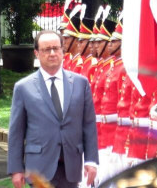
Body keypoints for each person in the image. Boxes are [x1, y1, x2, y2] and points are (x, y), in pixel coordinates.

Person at [8, 30, 98, 188]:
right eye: (46, 49)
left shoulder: (80, 83)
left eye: (56, 48)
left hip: (71, 166)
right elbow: (16, 132)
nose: (52, 53)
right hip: (39, 166)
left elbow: (88, 124)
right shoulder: (23, 87)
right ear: (36, 53)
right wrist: (16, 169)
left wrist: (91, 160)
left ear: (63, 50)